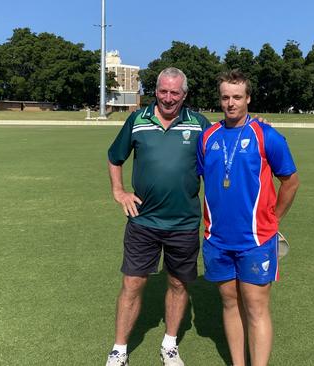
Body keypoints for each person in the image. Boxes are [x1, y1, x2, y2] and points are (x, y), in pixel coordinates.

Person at [105, 67, 211, 366]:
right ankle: (119, 350)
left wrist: (257, 126)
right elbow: (115, 158)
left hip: (184, 223)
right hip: (143, 221)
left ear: (184, 95)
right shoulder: (138, 120)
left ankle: (169, 345)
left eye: (174, 92)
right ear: (156, 91)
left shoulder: (199, 123)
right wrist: (119, 191)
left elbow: (225, 146)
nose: (167, 98)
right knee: (132, 284)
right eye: (163, 91)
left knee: (178, 284)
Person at [196, 70, 299, 366]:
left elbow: (290, 181)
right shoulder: (208, 138)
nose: (231, 103)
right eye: (225, 97)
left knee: (256, 309)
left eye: (237, 97)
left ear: (248, 98)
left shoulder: (267, 136)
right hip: (217, 240)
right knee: (229, 304)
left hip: (256, 240)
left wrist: (273, 218)